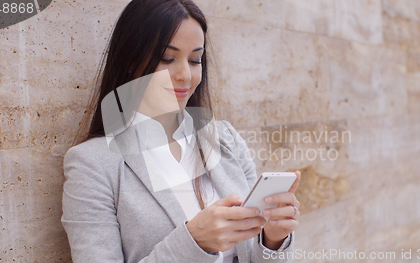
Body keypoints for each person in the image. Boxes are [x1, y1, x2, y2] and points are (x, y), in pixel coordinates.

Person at [61, 0, 301, 262]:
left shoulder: (225, 138)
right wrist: (194, 241)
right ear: (131, 60)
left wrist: (272, 240)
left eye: (195, 59)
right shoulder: (92, 164)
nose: (185, 75)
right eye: (167, 58)